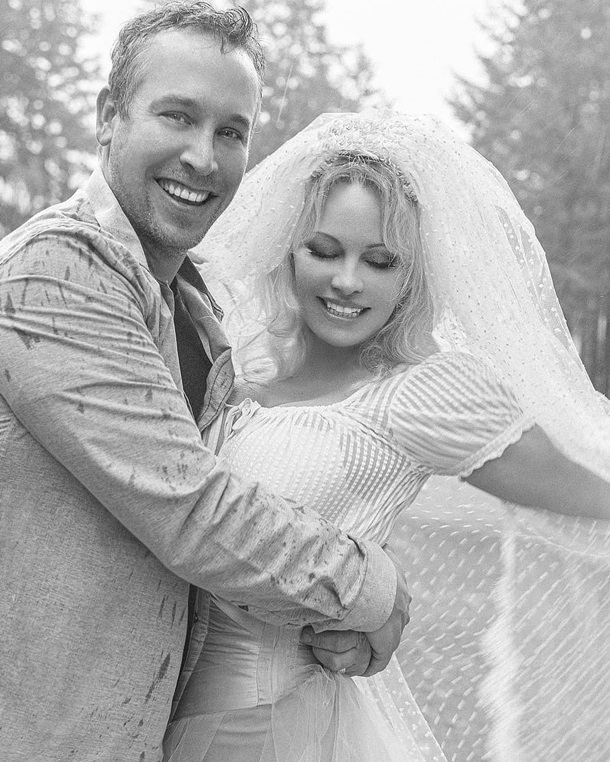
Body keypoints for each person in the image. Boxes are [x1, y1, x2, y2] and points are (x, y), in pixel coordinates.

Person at [0, 9, 411, 761]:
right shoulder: (54, 273)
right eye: (178, 116)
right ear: (108, 116)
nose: (203, 156)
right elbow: (189, 509)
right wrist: (369, 588)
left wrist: (334, 628)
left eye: (231, 131)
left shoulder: (193, 306)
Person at [164, 111, 610, 762]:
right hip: (154, 714)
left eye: (379, 261)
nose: (347, 281)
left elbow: (590, 486)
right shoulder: (239, 368)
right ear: (289, 252)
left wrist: (376, 605)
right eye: (324, 251)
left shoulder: (420, 395)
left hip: (269, 729)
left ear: (410, 277)